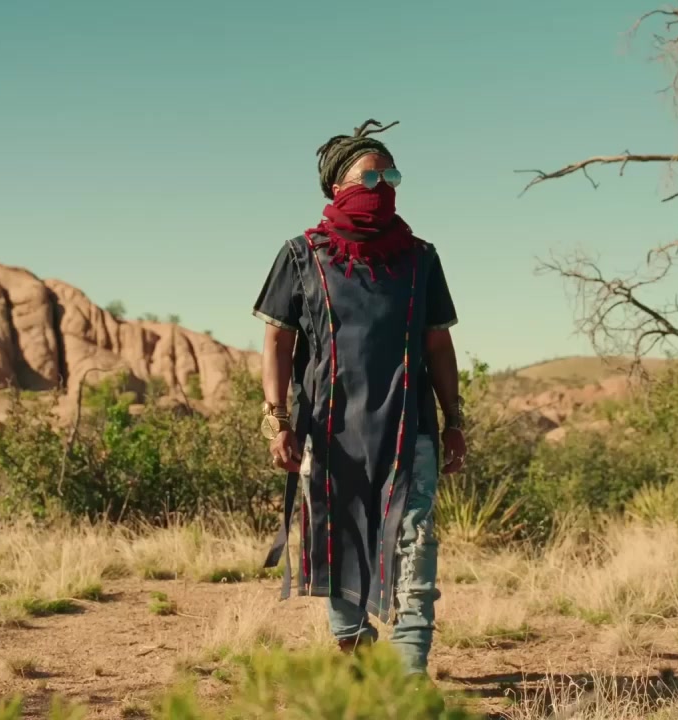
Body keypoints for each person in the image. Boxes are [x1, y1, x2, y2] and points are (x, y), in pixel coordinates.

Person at [254, 119, 466, 679]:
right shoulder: (301, 256)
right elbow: (276, 342)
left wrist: (454, 421)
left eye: (390, 178)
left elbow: (439, 346)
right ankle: (356, 650)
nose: (382, 188)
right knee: (337, 539)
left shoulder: (421, 259)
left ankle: (410, 674)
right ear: (337, 187)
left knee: (415, 545)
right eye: (369, 178)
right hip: (330, 434)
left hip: (409, 431)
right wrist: (277, 420)